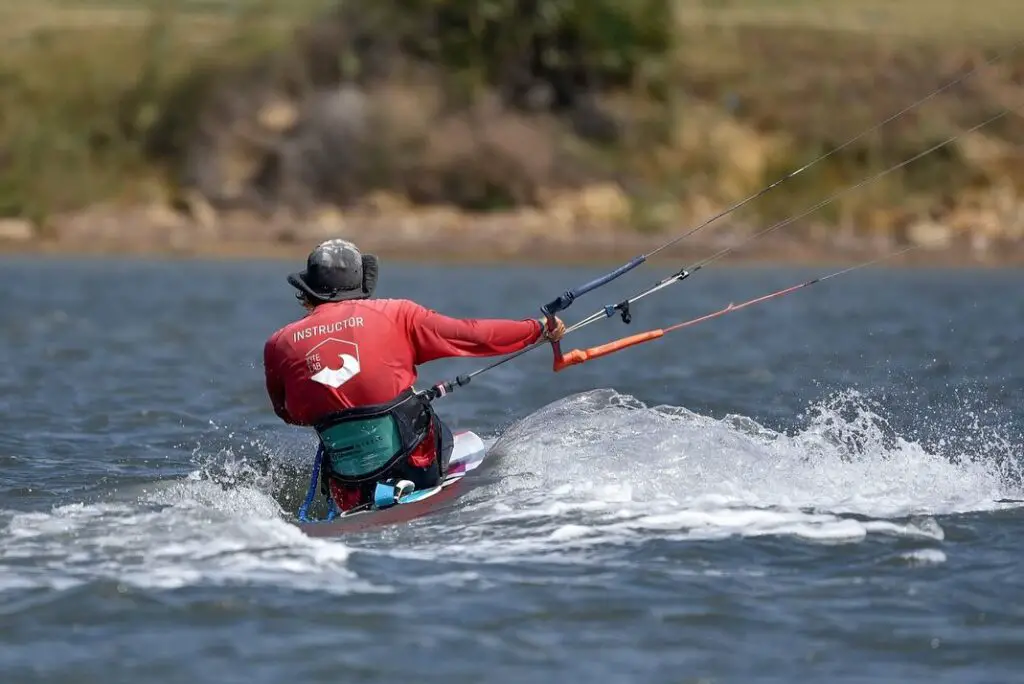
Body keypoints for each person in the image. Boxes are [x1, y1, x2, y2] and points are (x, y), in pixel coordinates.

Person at [263, 238, 566, 512]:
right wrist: (538, 329)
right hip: (415, 463)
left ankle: (365, 492)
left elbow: (291, 414)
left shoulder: (278, 343)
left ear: (308, 293)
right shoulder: (397, 314)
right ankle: (402, 480)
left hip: (347, 485)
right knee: (431, 421)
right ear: (360, 284)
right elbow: (474, 335)